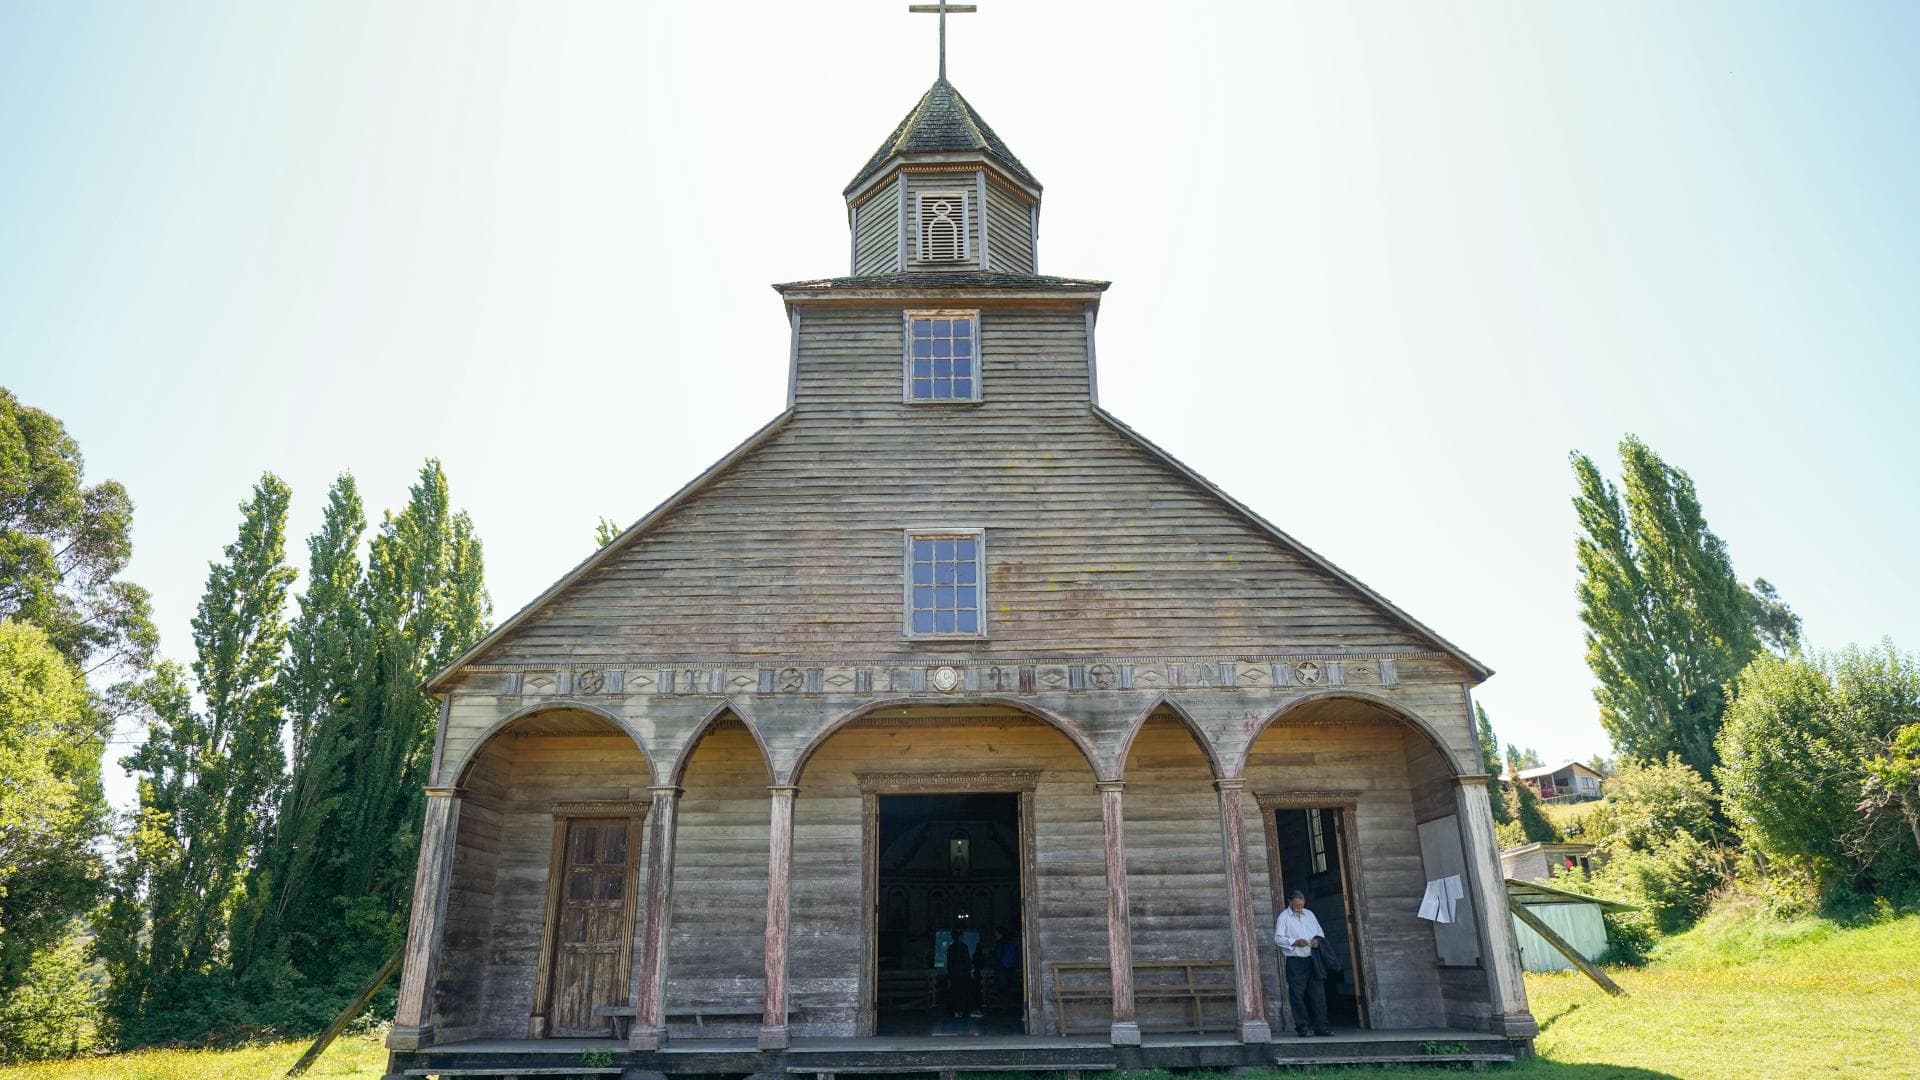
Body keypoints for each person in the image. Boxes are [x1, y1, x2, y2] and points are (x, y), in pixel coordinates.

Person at [1274, 889, 1331, 1037]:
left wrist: (1317, 941)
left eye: (1301, 904)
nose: (1299, 908)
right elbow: (1278, 938)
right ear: (1290, 902)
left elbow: (1320, 933)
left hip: (1313, 958)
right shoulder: (1284, 917)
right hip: (1295, 961)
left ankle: (1322, 1027)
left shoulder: (1310, 915)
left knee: (1318, 994)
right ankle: (1302, 1028)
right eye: (1297, 905)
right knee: (1297, 995)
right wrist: (1294, 942)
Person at [945, 931, 975, 1018]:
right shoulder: (964, 946)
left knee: (955, 993)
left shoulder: (950, 948)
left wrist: (949, 976)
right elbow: (967, 961)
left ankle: (956, 1011)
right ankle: (963, 1011)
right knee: (964, 993)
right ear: (960, 937)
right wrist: (970, 971)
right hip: (963, 974)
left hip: (954, 974)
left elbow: (949, 963)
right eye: (962, 936)